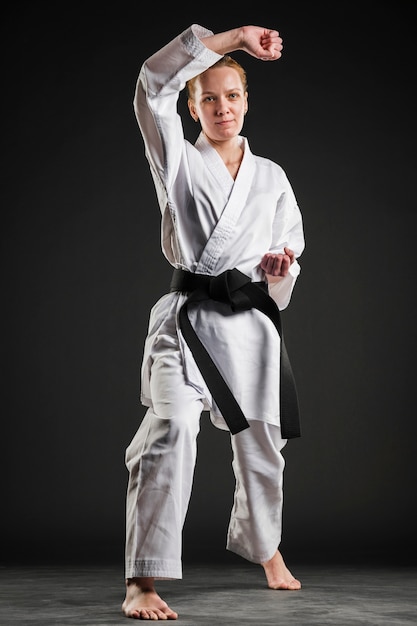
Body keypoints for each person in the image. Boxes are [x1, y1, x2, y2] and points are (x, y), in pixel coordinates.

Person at [122, 23, 305, 620]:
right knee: (170, 432)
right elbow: (152, 84)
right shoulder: (175, 155)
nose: (222, 108)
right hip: (188, 321)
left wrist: (279, 268)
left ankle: (266, 548)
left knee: (263, 448)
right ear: (192, 105)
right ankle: (142, 581)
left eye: (232, 96)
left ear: (247, 102)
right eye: (208, 98)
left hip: (249, 324)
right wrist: (233, 39)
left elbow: (286, 257)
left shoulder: (271, 177)